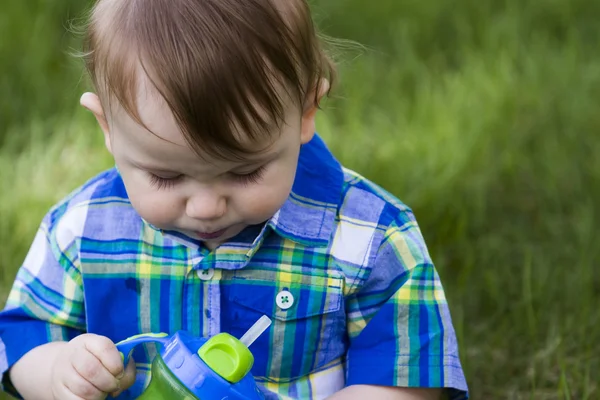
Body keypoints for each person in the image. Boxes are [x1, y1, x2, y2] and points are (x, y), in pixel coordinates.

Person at [0, 0, 468, 399]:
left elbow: (410, 376)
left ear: (306, 111)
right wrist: (59, 372)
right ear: (107, 127)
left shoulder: (371, 238)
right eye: (165, 176)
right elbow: (22, 338)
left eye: (244, 171)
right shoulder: (83, 230)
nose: (206, 207)